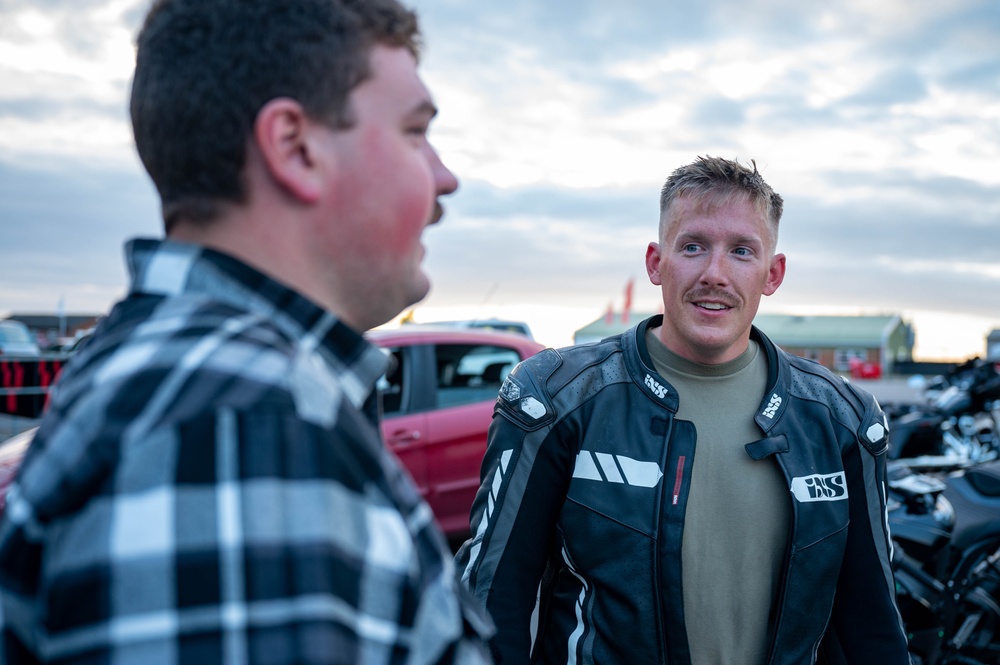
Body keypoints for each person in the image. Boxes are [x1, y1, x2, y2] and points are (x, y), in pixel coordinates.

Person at [0, 0, 493, 662]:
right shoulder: (243, 420)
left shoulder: (183, 379)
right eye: (414, 132)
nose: (444, 177)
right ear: (295, 147)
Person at [456, 156, 911, 664]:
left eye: (742, 251)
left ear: (772, 273)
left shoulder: (842, 418)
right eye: (693, 247)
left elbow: (871, 619)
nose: (714, 274)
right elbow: (492, 597)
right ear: (656, 262)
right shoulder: (558, 398)